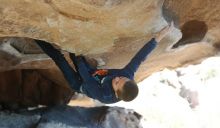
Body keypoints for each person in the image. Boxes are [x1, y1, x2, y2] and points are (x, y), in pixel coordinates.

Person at [35, 22, 173, 104]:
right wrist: (157, 39)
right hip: (92, 73)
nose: (118, 78)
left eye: (117, 82)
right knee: (74, 51)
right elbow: (140, 58)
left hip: (80, 84)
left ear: (117, 93)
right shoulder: (127, 75)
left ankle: (37, 36)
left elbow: (87, 80)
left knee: (60, 58)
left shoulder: (105, 96)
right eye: (123, 78)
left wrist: (77, 56)